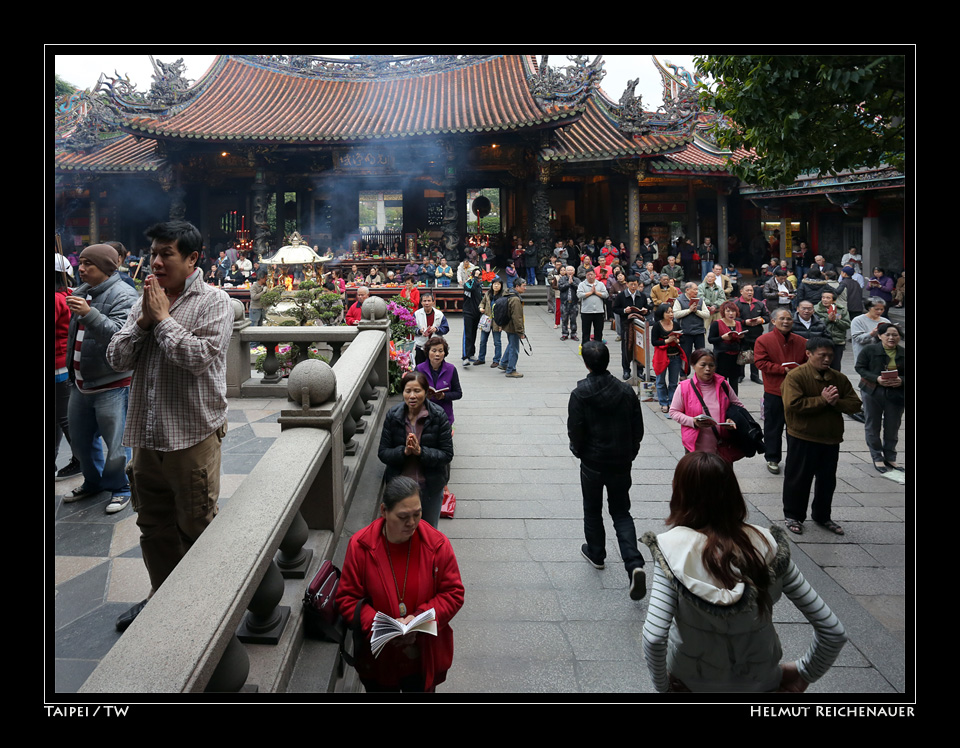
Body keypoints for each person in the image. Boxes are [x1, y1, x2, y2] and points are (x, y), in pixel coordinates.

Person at [105, 220, 233, 632]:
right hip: (145, 434)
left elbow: (198, 358)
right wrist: (145, 320)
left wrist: (161, 319)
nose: (156, 262)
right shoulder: (145, 300)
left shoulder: (214, 301)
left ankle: (204, 606)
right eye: (153, 253)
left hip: (191, 434)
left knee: (196, 522)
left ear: (193, 259)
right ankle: (162, 596)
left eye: (167, 254)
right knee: (152, 523)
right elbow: (116, 358)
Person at [641, 452, 847, 693]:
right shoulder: (767, 545)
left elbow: (654, 637)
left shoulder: (670, 551)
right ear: (732, 493)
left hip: (692, 682)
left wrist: (663, 688)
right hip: (761, 682)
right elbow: (833, 631)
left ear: (680, 493)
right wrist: (805, 672)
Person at [335, 476, 464, 693]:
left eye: (417, 514)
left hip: (423, 655)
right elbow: (347, 598)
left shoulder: (437, 545)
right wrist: (378, 624)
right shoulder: (361, 546)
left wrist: (421, 618)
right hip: (378, 658)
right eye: (403, 516)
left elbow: (453, 593)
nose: (412, 523)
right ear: (384, 511)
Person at [568, 341, 647, 599]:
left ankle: (596, 552)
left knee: (592, 508)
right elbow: (638, 429)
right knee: (621, 511)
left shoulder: (580, 394)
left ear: (586, 364)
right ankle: (634, 563)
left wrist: (579, 451)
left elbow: (575, 431)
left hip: (593, 461)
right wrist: (631, 451)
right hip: (621, 460)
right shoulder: (626, 391)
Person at [64, 244, 138, 513]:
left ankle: (121, 487)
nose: (80, 269)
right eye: (80, 263)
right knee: (81, 442)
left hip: (112, 383)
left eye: (88, 264)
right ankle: (93, 482)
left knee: (117, 445)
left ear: (106, 267)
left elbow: (120, 336)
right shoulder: (82, 292)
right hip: (80, 382)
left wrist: (88, 313)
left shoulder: (125, 295)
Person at [781, 338, 862, 536]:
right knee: (798, 479)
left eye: (830, 356)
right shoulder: (796, 376)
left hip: (830, 438)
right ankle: (793, 515)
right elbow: (793, 405)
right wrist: (822, 400)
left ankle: (822, 515)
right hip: (802, 436)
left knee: (827, 481)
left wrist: (836, 403)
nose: (827, 360)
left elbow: (855, 404)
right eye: (822, 355)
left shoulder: (838, 378)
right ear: (808, 354)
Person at [378, 371, 454, 528]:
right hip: (400, 488)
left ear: (426, 392)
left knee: (429, 532)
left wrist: (421, 452)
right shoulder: (393, 415)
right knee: (402, 531)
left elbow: (447, 454)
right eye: (408, 391)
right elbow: (383, 452)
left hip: (430, 486)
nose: (412, 396)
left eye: (417, 391)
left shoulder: (438, 416)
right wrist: (403, 452)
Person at [754, 309, 807, 475]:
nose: (786, 322)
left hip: (797, 391)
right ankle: (772, 458)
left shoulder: (801, 341)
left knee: (796, 427)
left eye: (789, 319)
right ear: (773, 321)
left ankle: (795, 459)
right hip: (774, 390)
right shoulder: (763, 340)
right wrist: (783, 370)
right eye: (782, 319)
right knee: (773, 427)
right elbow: (761, 363)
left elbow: (808, 361)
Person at [670, 349, 743, 461]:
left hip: (721, 444)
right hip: (695, 444)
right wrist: (692, 421)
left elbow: (739, 407)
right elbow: (674, 412)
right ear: (693, 365)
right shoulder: (684, 387)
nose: (708, 369)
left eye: (711, 365)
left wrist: (732, 420)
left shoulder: (723, 384)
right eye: (703, 365)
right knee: (697, 476)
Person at [855, 323, 906, 474]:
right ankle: (877, 456)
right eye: (887, 334)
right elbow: (860, 368)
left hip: (896, 393)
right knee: (873, 424)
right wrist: (876, 378)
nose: (891, 338)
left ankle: (890, 456)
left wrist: (901, 380)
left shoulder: (904, 352)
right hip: (872, 391)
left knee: (893, 425)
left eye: (895, 335)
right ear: (880, 336)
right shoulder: (870, 350)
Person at [416, 336, 462, 426]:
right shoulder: (419, 369)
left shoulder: (451, 369)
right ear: (428, 352)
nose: (437, 354)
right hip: (423, 415)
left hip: (444, 416)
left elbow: (458, 393)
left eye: (440, 351)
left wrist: (444, 396)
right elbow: (412, 392)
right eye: (434, 351)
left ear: (444, 353)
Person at [612, 275, 649, 380]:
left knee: (640, 347)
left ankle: (639, 370)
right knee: (626, 348)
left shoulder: (642, 295)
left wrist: (645, 311)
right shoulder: (622, 296)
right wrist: (624, 311)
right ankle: (626, 370)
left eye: (635, 284)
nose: (633, 287)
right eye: (631, 284)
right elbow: (615, 309)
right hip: (626, 325)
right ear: (627, 284)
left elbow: (647, 308)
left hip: (639, 325)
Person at [650, 303, 684, 415]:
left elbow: (682, 338)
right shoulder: (657, 326)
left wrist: (677, 341)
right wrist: (667, 341)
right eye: (668, 312)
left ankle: (672, 402)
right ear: (662, 313)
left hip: (675, 356)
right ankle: (663, 402)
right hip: (662, 357)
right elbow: (654, 342)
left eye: (672, 312)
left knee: (673, 382)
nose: (671, 314)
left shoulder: (676, 324)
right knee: (660, 381)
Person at [734, 283, 768, 384]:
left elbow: (767, 317)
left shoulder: (759, 304)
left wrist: (761, 320)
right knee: (741, 354)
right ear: (741, 292)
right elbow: (734, 318)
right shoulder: (737, 304)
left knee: (756, 356)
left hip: (756, 334)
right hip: (742, 334)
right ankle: (740, 375)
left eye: (751, 291)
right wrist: (745, 322)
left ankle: (755, 375)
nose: (750, 292)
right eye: (747, 290)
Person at [708, 301, 745, 395]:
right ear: (723, 312)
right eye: (728, 311)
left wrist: (742, 338)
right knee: (721, 380)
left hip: (735, 356)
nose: (731, 314)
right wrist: (722, 338)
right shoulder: (716, 324)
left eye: (733, 311)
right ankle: (721, 400)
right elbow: (710, 339)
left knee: (734, 381)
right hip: (722, 356)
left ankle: (734, 401)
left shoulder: (738, 323)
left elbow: (743, 342)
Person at [813, 289, 850, 370]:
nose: (825, 300)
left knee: (835, 366)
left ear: (834, 300)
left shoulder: (841, 310)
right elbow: (814, 325)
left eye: (828, 298)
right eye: (823, 297)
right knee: (820, 365)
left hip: (837, 341)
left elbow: (847, 325)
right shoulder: (815, 309)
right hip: (821, 341)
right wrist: (827, 319)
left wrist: (836, 321)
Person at [672, 282, 709, 363]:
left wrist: (696, 312)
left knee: (701, 355)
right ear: (687, 290)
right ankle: (684, 374)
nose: (697, 292)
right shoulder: (679, 300)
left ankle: (700, 374)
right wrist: (689, 310)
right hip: (685, 332)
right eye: (694, 289)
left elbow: (707, 314)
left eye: (697, 290)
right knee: (685, 355)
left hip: (699, 331)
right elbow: (676, 314)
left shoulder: (700, 300)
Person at [412, 292, 449, 366]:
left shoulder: (439, 314)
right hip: (420, 345)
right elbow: (411, 328)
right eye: (424, 301)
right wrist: (419, 331)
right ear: (421, 302)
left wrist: (437, 329)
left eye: (429, 301)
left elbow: (446, 328)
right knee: (420, 368)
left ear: (433, 302)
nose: (427, 303)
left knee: (436, 367)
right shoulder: (416, 314)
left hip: (436, 346)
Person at [850, 296, 891, 364]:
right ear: (869, 308)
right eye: (876, 309)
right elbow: (857, 338)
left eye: (882, 309)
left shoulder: (886, 321)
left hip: (882, 357)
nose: (879, 311)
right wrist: (871, 334)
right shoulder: (858, 320)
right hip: (865, 357)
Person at [500, 278, 527, 378]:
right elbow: (517, 317)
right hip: (513, 327)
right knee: (514, 348)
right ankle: (511, 369)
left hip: (508, 325)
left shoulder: (508, 294)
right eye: (523, 286)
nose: (525, 288)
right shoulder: (515, 299)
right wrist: (520, 331)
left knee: (511, 344)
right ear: (517, 287)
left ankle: (503, 363)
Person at [476, 278, 504, 367]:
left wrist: (502, 324)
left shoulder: (503, 295)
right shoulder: (488, 293)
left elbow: (505, 310)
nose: (496, 286)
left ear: (501, 286)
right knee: (483, 341)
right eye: (494, 284)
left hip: (497, 321)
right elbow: (482, 302)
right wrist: (481, 308)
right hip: (487, 320)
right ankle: (481, 358)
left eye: (498, 284)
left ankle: (496, 360)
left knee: (497, 342)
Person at [577, 268, 608, 343]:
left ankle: (598, 348)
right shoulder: (582, 284)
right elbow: (579, 295)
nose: (590, 276)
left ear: (595, 275)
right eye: (588, 275)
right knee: (586, 332)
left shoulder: (600, 284)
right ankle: (585, 348)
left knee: (598, 332)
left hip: (599, 311)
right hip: (586, 311)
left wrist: (596, 292)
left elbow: (606, 294)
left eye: (591, 274)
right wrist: (590, 293)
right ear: (586, 276)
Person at [461, 267, 483, 365]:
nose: (479, 278)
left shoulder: (479, 285)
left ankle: (471, 353)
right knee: (468, 334)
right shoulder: (468, 283)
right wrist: (474, 277)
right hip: (468, 312)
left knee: (473, 334)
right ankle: (465, 356)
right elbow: (470, 288)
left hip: (477, 313)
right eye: (478, 276)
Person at [558, 265, 579, 341]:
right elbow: (560, 288)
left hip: (574, 303)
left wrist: (572, 283)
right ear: (566, 272)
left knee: (573, 319)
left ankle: (573, 334)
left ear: (574, 272)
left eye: (571, 270)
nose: (570, 272)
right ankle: (564, 333)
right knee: (564, 319)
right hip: (564, 302)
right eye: (568, 270)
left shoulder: (576, 280)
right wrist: (568, 283)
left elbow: (579, 288)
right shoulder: (562, 279)